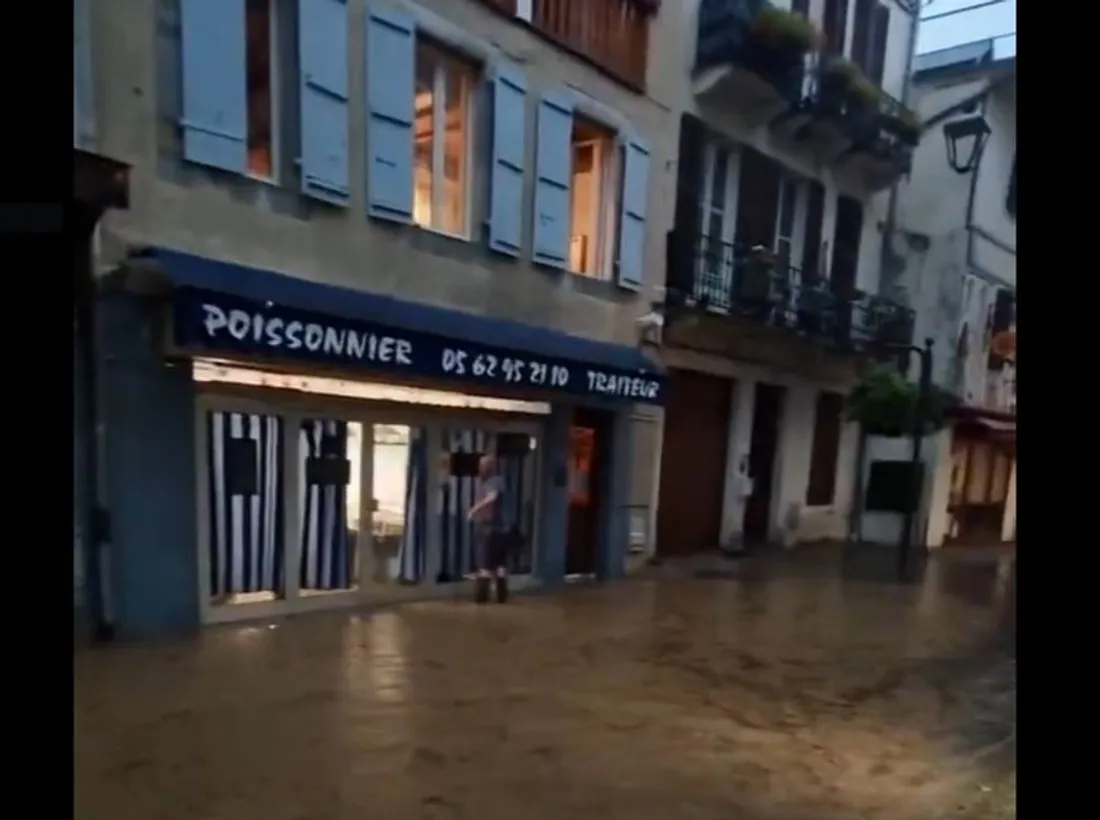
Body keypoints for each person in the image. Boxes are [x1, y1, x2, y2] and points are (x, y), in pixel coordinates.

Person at [467, 454, 509, 604]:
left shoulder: (492, 481)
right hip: (501, 528)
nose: (479, 468)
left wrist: (474, 510)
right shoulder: (498, 480)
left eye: (482, 465)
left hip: (489, 528)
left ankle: (481, 598)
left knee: (485, 563)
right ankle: (501, 597)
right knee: (499, 565)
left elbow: (492, 497)